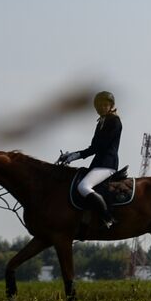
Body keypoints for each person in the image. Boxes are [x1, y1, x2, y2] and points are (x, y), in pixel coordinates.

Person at [59, 90, 122, 230]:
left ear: (111, 106)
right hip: (98, 164)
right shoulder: (101, 122)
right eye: (100, 105)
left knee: (83, 187)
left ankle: (107, 218)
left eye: (105, 105)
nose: (102, 107)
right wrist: (72, 155)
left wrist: (76, 155)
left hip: (107, 165)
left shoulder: (114, 122)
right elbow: (93, 147)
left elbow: (101, 146)